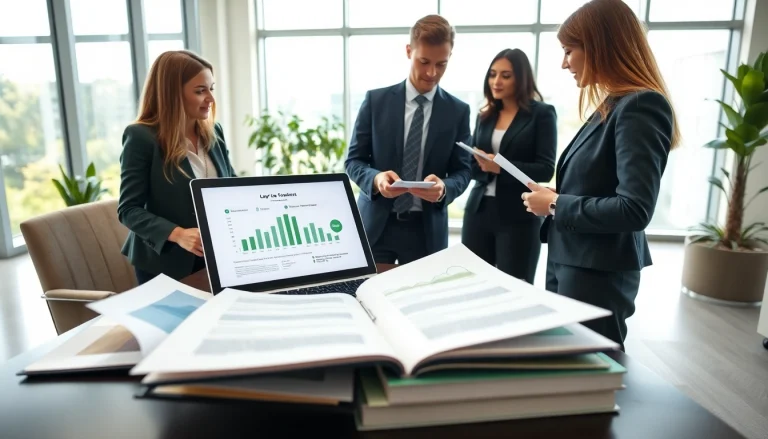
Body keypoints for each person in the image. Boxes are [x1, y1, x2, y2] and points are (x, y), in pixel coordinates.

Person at [522, 0, 680, 349]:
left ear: (598, 46)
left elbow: (635, 209)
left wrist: (556, 204)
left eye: (568, 51)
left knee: (593, 371)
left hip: (597, 270)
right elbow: (599, 183)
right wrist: (556, 196)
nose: (564, 63)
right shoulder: (614, 104)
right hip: (575, 260)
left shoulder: (640, 106)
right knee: (572, 372)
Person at [345, 15, 472, 264]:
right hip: (376, 226)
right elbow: (354, 161)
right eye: (423, 61)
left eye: (441, 64)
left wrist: (444, 188)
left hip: (425, 233)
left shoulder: (458, 111)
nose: (431, 72)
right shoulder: (376, 102)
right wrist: (376, 178)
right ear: (408, 51)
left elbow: (463, 171)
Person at [118, 50, 237, 285]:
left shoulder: (215, 133)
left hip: (217, 256)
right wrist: (179, 234)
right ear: (172, 94)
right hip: (166, 264)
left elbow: (230, 185)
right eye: (200, 91)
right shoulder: (141, 137)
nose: (211, 99)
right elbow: (128, 209)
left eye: (211, 88)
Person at [461, 48, 556, 284]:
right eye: (493, 74)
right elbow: (471, 168)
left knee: (514, 285)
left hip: (518, 216)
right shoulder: (485, 115)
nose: (496, 81)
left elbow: (545, 169)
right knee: (471, 283)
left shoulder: (541, 114)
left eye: (506, 75)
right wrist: (479, 161)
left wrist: (501, 167)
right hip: (478, 212)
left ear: (521, 78)